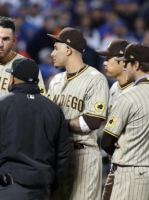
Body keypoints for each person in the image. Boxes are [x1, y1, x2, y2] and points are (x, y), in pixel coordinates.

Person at [0, 57, 70, 200]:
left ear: (12, 79)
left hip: (6, 187)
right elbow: (62, 156)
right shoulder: (54, 110)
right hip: (41, 189)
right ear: (37, 82)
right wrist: (50, 187)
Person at [47, 27, 109, 200]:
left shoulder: (95, 78)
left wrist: (60, 124)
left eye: (56, 48)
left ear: (67, 49)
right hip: (58, 154)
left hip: (83, 154)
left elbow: (93, 121)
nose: (52, 53)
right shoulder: (56, 80)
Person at [101, 43, 149, 200]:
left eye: (126, 63)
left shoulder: (128, 95)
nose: (124, 68)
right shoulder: (119, 89)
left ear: (136, 65)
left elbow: (107, 141)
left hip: (131, 171)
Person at [96, 39, 133, 200]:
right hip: (116, 161)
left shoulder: (140, 89)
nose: (104, 63)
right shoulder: (114, 88)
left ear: (122, 61)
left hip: (134, 163)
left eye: (108, 58)